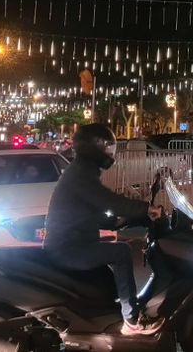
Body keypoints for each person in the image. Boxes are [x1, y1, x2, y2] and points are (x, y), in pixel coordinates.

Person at [43, 124, 163, 336]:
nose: (109, 152)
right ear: (92, 148)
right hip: (68, 247)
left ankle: (113, 314)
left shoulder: (83, 170)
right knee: (121, 252)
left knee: (116, 255)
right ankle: (132, 320)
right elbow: (107, 200)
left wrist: (126, 219)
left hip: (74, 241)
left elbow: (92, 211)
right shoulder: (81, 172)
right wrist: (145, 208)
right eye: (106, 146)